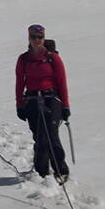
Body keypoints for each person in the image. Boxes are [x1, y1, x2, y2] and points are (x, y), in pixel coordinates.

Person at [15, 24, 71, 182]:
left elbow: (62, 82)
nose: (37, 40)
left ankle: (60, 169)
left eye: (40, 37)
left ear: (44, 38)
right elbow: (20, 83)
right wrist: (20, 105)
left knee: (51, 135)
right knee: (39, 135)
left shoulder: (53, 58)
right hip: (32, 99)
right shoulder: (24, 59)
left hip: (51, 98)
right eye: (33, 37)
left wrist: (65, 106)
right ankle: (41, 171)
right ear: (29, 38)